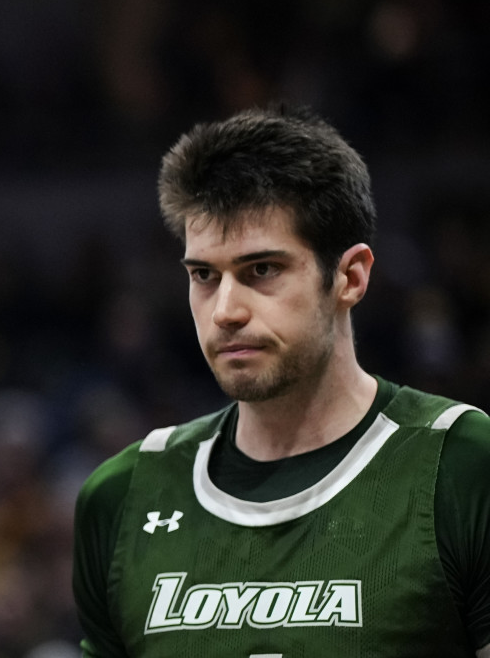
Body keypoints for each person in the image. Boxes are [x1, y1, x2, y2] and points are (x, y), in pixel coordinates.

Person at [72, 107, 490, 657]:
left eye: (261, 270)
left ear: (350, 276)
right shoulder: (122, 495)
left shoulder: (460, 465)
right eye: (204, 275)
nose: (224, 310)